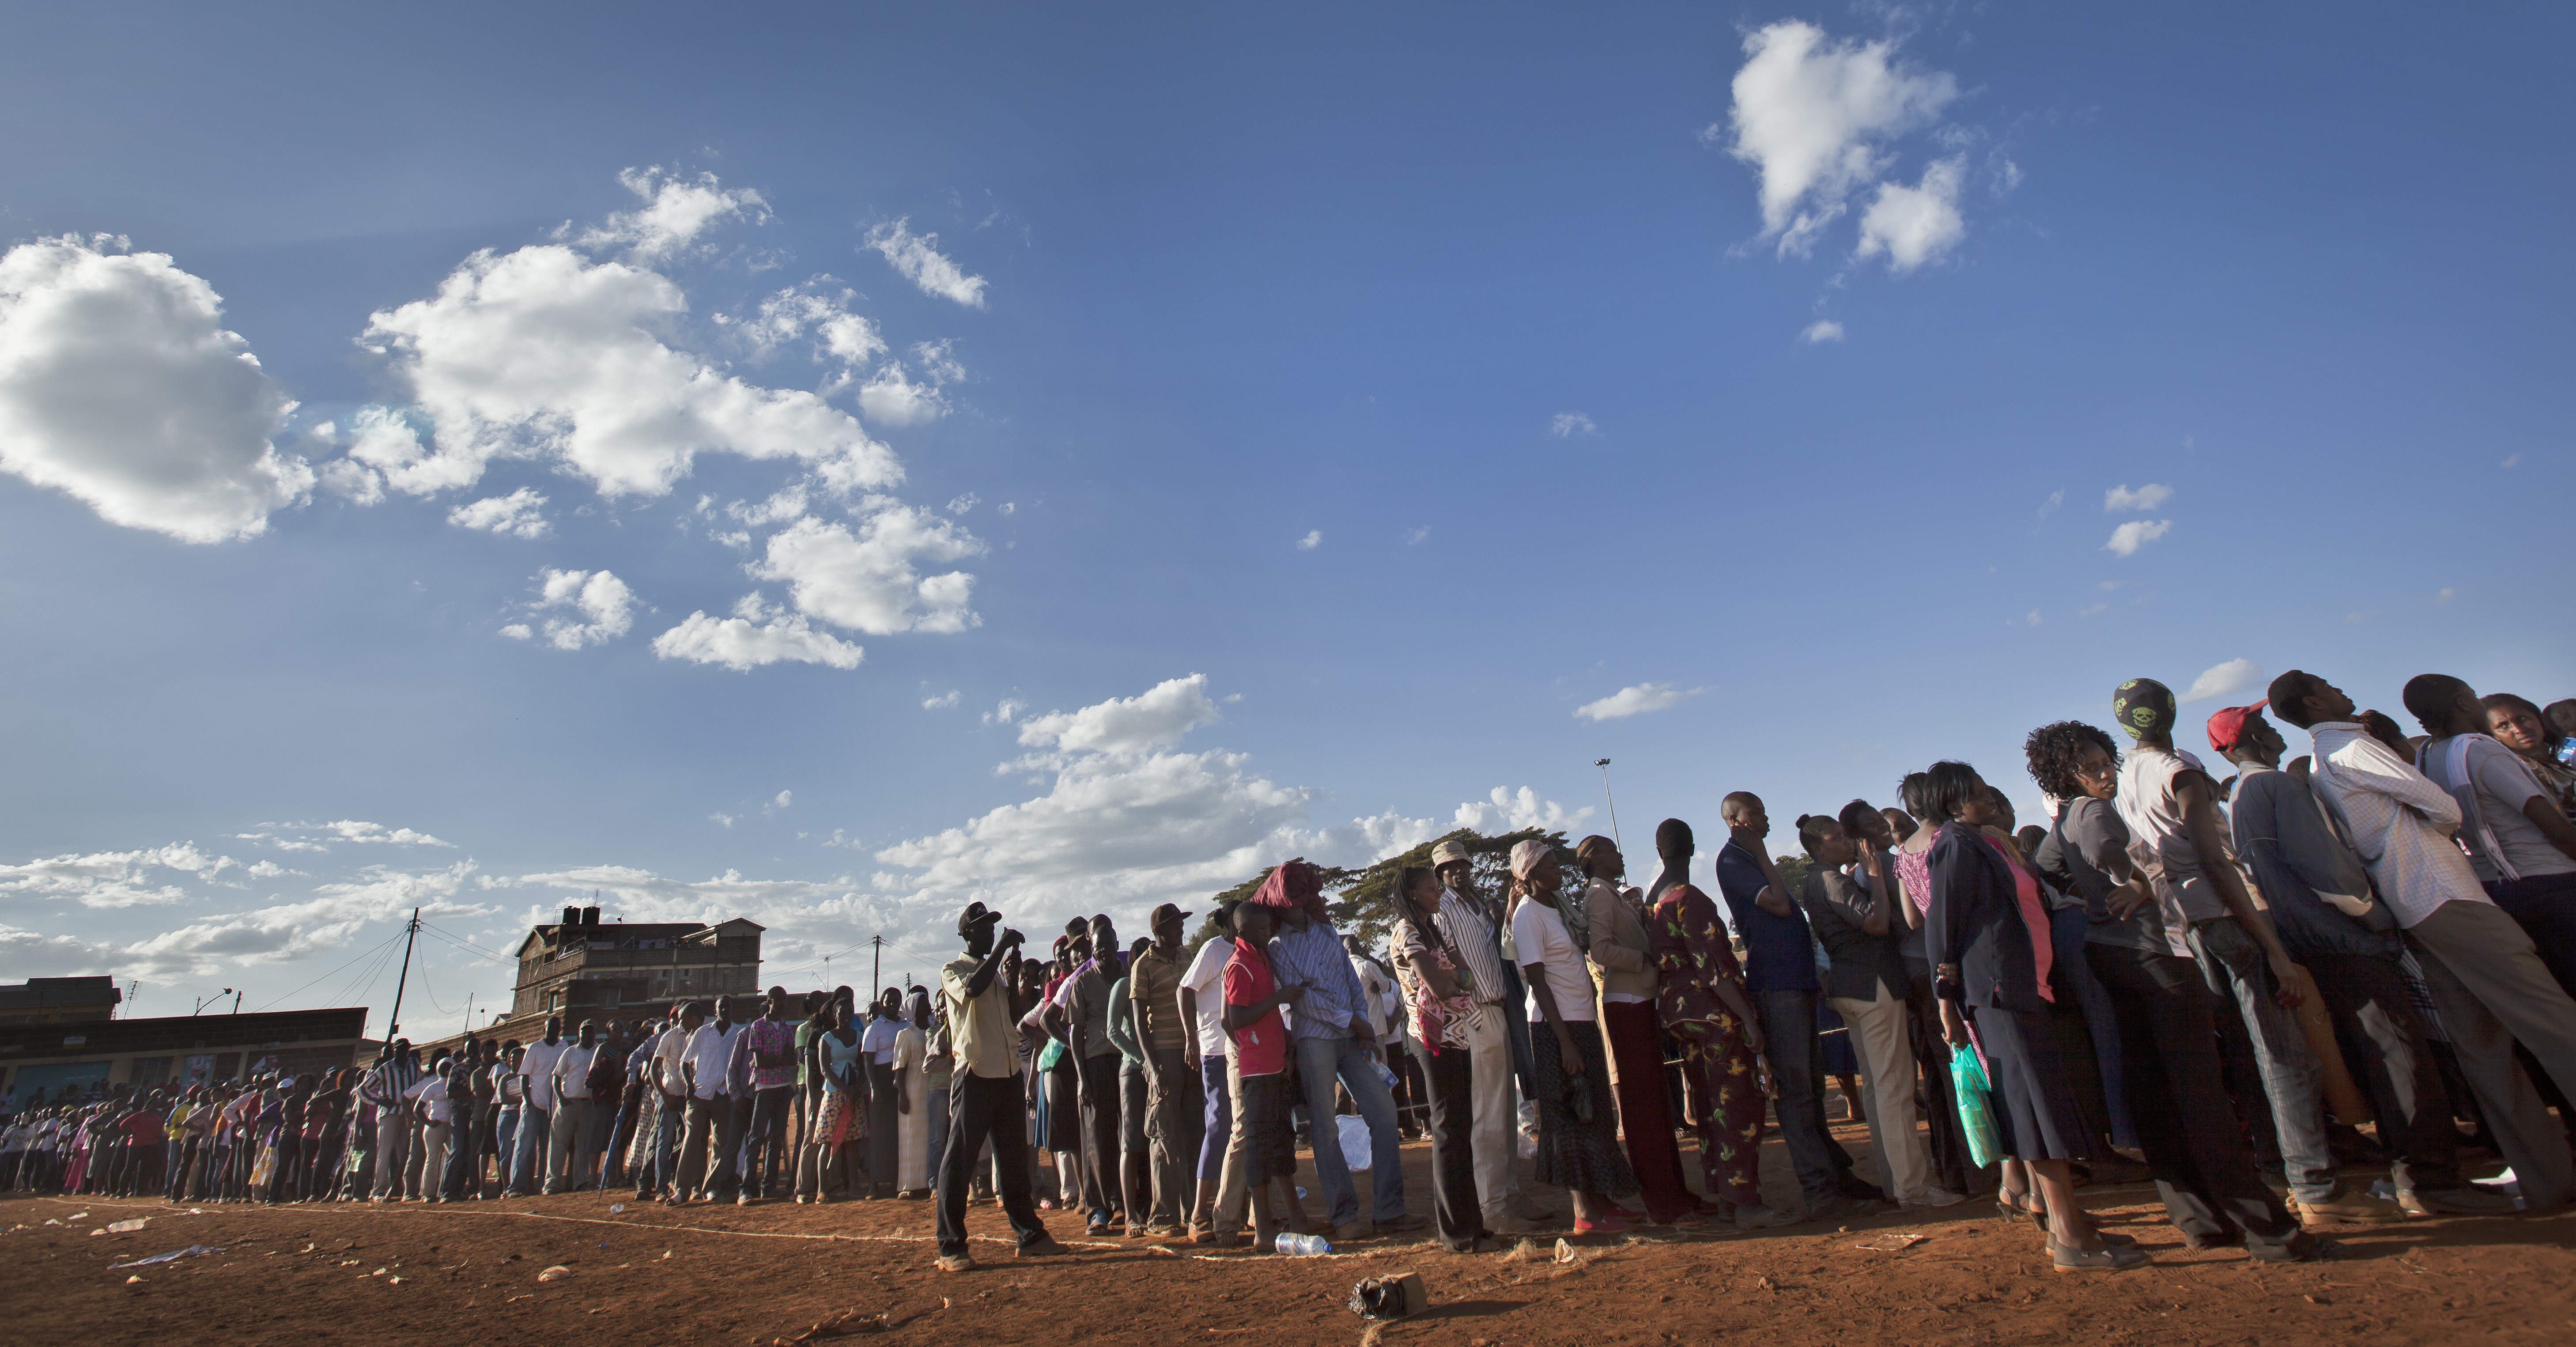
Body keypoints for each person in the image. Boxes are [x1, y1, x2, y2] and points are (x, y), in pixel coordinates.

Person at [2023, 722, 2334, 1261]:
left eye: (2105, 762)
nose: (2103, 772)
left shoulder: (2062, 818)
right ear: (2064, 772)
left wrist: (2094, 899)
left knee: (2154, 1095)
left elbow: (2047, 869)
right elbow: (2105, 852)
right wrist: (2134, 882)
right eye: (2090, 766)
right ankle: (2269, 1231)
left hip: (2110, 954)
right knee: (2199, 1092)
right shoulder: (2094, 812)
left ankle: (2199, 1220)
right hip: (2157, 958)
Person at [2277, 668, 2576, 1213]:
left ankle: (2546, 1179)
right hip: (2445, 893)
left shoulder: (2324, 760)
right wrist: (2432, 827)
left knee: (2481, 1045)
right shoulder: (2350, 746)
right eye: (2327, 683)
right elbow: (2443, 808)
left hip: (2413, 906)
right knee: (2553, 1020)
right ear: (2314, 700)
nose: (2342, 686)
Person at [2209, 701, 2519, 1219]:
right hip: (2344, 934)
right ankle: (2429, 1179)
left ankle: (2417, 1175)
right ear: (2246, 739)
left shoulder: (2243, 794)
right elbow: (2328, 868)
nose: (2271, 730)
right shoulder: (2276, 786)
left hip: (2312, 937)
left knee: (2383, 1053)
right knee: (2400, 1054)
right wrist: (2371, 915)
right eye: (2261, 725)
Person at [2106, 678, 2390, 1226]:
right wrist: (2273, 948)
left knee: (2247, 1049)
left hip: (2185, 925)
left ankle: (2279, 1169)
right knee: (2283, 1052)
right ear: (2169, 711)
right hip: (2229, 917)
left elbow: (2146, 858)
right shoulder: (2179, 772)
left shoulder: (2125, 778)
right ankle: (2316, 1188)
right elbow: (2216, 860)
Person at [1923, 759, 2145, 1270]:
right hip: (1999, 994)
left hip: (2023, 990)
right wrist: (1946, 1003)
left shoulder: (1983, 841)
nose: (1990, 797)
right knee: (2036, 1110)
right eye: (1978, 792)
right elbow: (1942, 930)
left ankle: (2067, 1226)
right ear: (1956, 803)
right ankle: (2068, 1236)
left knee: (2043, 1107)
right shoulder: (1955, 846)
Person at [1715, 792, 1871, 1220]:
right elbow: (1780, 904)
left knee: (1812, 1088)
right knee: (1796, 1092)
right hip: (1776, 983)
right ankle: (1820, 1190)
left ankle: (1835, 1176)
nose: (1764, 819)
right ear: (1733, 820)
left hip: (1795, 980)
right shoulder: (1733, 860)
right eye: (1755, 814)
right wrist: (1762, 853)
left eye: (1764, 812)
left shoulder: (1745, 857)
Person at [1792, 814, 1959, 1210]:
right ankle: (1912, 1188)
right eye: (1836, 838)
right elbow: (1878, 924)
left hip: (1853, 989)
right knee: (1895, 1090)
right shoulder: (1832, 880)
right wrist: (1876, 876)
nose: (1846, 842)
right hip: (1873, 986)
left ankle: (1896, 1182)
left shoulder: (1816, 881)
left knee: (1878, 1088)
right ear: (1817, 847)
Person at [1258, 859, 1414, 1238]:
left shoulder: (1327, 933)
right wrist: (1354, 1022)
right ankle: (1345, 1217)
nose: (1297, 894)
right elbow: (1302, 1001)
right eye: (1290, 888)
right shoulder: (1277, 946)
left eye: (1302, 887)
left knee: (1385, 1112)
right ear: (1278, 897)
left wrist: (1360, 1023)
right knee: (1325, 1130)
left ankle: (1389, 1210)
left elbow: (1350, 982)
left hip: (1349, 1036)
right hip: (1315, 1038)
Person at [2409, 674, 2576, 994]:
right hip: (2550, 881)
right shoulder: (2481, 751)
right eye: (2472, 696)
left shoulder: (2429, 757)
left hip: (2499, 887)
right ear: (2462, 702)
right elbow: (2553, 827)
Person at [1509, 838, 1641, 1235]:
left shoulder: (1559, 909)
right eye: (1550, 866)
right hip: (1555, 1028)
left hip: (1580, 1021)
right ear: (1530, 874)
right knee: (1567, 1116)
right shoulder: (1528, 915)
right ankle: (1584, 1211)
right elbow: (1537, 979)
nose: (1559, 870)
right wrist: (1564, 1041)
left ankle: (1601, 1201)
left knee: (1594, 1112)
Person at [1573, 834, 1704, 1226]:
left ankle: (1675, 1195)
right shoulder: (1599, 895)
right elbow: (1601, 951)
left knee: (1655, 1105)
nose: (1621, 854)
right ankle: (1663, 1202)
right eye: (1613, 850)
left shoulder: (1609, 893)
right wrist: (1648, 957)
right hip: (1626, 1000)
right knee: (1644, 1108)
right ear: (1595, 858)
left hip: (1637, 999)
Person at [933, 901, 1061, 1271]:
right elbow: (971, 989)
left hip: (1006, 1073)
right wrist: (1003, 950)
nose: (990, 932)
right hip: (973, 1073)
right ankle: (951, 1245)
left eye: (993, 927)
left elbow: (1012, 1016)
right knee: (960, 1160)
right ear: (966, 933)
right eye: (984, 927)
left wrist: (1014, 973)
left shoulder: (997, 975)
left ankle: (1030, 1235)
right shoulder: (954, 969)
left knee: (1014, 1162)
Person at [1431, 838, 1548, 1233]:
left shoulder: (1480, 902)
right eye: (1450, 868)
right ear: (1440, 875)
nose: (1458, 870)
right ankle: (1493, 1208)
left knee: (1503, 1111)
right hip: (1476, 1011)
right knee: (1488, 1115)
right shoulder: (1443, 909)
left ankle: (1510, 1193)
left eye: (1462, 863)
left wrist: (1508, 910)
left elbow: (1501, 947)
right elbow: (1446, 960)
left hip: (1500, 1007)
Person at [1389, 864, 1492, 1252]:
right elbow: (1440, 985)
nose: (1438, 895)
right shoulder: (1407, 931)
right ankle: (1456, 1232)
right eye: (1432, 889)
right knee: (1449, 1130)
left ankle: (1471, 1223)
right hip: (1433, 1039)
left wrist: (1455, 979)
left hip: (1457, 1035)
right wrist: (1455, 979)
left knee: (1462, 1128)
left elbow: (1465, 977)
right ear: (1414, 894)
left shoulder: (1434, 929)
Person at [1218, 898, 1305, 1253]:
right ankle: (1264, 1227)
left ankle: (1295, 1216)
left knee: (1282, 1138)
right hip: (1256, 1070)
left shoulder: (1260, 958)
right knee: (1258, 1145)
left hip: (1273, 1062)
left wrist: (1284, 1044)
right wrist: (1281, 998)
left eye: (1268, 927)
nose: (1267, 933)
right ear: (1242, 932)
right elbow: (1235, 1019)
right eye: (1260, 929)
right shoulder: (1239, 965)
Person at [1129, 902, 1199, 1238]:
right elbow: (1139, 1022)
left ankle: (1191, 1212)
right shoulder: (1143, 966)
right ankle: (1163, 1216)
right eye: (1175, 925)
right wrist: (1152, 1066)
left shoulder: (1187, 957)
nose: (1181, 929)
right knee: (1165, 1138)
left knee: (1192, 1134)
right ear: (1160, 931)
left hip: (1190, 1053)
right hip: (1164, 1055)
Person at [1061, 915, 1129, 1233]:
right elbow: (1075, 1033)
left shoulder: (1128, 976)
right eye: (1098, 947)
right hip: (1096, 1063)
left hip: (1127, 1064)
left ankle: (1122, 1201)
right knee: (1096, 1138)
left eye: (1109, 945)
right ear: (1092, 948)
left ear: (1118, 945)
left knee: (1127, 1135)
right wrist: (1081, 1078)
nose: (1104, 951)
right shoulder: (1082, 982)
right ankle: (1096, 1209)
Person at [1177, 909, 1239, 1239]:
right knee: (1219, 1125)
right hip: (1216, 1049)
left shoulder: (1253, 949)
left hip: (1245, 1051)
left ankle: (1239, 1208)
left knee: (1242, 1129)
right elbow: (1185, 990)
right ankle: (1199, 1212)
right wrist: (1192, 1038)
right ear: (1231, 922)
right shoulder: (1215, 949)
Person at [1103, 937, 1156, 1233]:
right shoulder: (1124, 986)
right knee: (1132, 1143)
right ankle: (1130, 1216)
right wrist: (1142, 1059)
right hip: (1133, 1073)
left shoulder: (1154, 984)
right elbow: (1113, 1031)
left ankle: (1153, 1208)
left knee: (1154, 1144)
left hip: (1155, 1072)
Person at [731, 987, 800, 1203]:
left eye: (784, 1000)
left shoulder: (788, 1029)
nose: (781, 1003)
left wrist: (774, 1060)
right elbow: (761, 1062)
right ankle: (747, 1188)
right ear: (769, 1001)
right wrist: (780, 1059)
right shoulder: (758, 1027)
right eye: (777, 1000)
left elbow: (792, 1059)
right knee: (756, 1138)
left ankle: (768, 1187)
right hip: (763, 1087)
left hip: (782, 1087)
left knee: (777, 1138)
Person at [802, 999, 865, 1202]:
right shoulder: (827, 1039)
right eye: (842, 1012)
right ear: (835, 1015)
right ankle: (823, 1189)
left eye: (850, 1012)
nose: (847, 1016)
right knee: (828, 1141)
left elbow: (864, 1064)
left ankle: (854, 1186)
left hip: (854, 1095)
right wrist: (845, 1088)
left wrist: (856, 1088)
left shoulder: (860, 1037)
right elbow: (825, 1070)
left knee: (852, 1142)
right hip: (833, 1094)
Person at [2487, 692, 2576, 818]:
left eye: (2522, 719)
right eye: (2503, 726)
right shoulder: (2525, 768)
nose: (2518, 729)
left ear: (2538, 718)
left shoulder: (2552, 761)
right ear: (2495, 737)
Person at [544, 1020, 601, 1195]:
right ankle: (552, 1184)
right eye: (584, 1031)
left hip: (588, 1105)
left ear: (595, 1034)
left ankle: (581, 1182)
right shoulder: (570, 1052)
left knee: (583, 1146)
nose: (587, 1035)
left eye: (590, 1032)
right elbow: (557, 1077)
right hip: (568, 1103)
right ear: (579, 1033)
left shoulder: (600, 1051)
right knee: (558, 1144)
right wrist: (560, 1098)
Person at [861, 988, 907, 1201]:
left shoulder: (906, 1025)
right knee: (879, 1135)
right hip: (881, 1082)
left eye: (897, 1001)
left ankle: (898, 1180)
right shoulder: (875, 1028)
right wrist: (874, 1088)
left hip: (901, 1082)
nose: (893, 1005)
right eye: (889, 1001)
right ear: (882, 1003)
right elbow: (868, 1062)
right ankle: (874, 1184)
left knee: (897, 1133)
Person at [514, 1017, 566, 1197]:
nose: (553, 1030)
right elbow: (524, 1077)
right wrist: (528, 1103)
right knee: (525, 1147)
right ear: (544, 1029)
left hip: (552, 1106)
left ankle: (543, 1187)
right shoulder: (535, 1049)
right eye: (550, 1027)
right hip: (535, 1103)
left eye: (557, 1027)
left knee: (547, 1148)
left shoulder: (564, 1046)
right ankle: (516, 1187)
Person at [893, 987, 932, 1198]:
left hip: (933, 1084)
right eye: (923, 1003)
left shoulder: (935, 1029)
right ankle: (910, 1183)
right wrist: (902, 1095)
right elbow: (899, 1066)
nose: (928, 1006)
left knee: (930, 1133)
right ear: (914, 1009)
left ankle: (929, 1181)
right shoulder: (906, 1034)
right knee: (911, 1134)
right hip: (914, 1086)